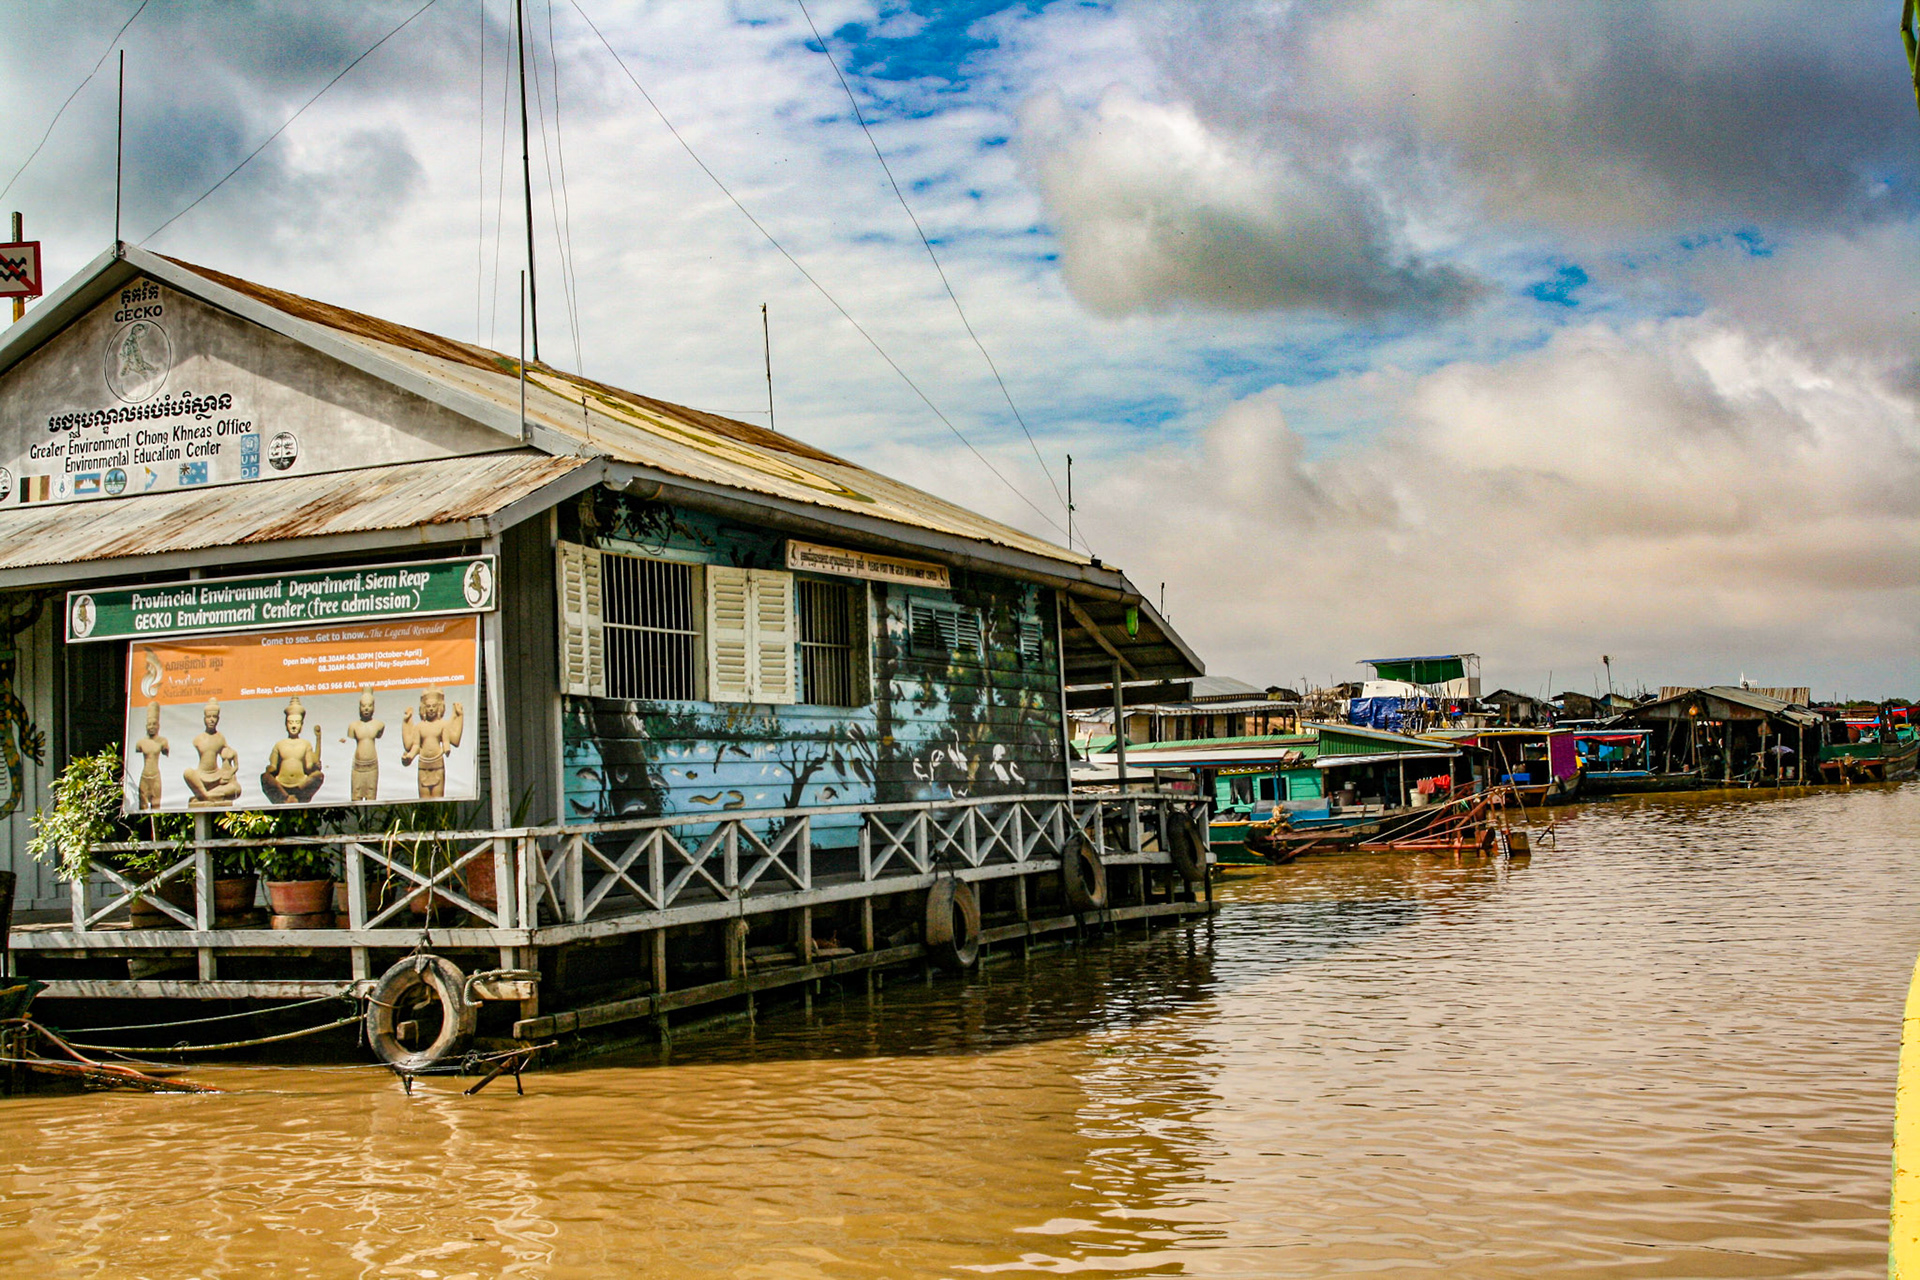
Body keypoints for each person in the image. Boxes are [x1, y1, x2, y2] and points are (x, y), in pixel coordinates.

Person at [260, 695, 324, 804]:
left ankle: (296, 796)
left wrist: (318, 739)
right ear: (286, 724)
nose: (294, 726)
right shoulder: (280, 744)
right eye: (290, 722)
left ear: (302, 725)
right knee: (265, 777)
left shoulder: (305, 744)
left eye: (297, 722)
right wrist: (270, 769)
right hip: (282, 784)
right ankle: (286, 798)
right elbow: (273, 767)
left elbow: (309, 767)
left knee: (318, 776)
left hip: (300, 785)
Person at [401, 689, 463, 799]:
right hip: (423, 766)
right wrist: (410, 756)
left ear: (438, 707)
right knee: (424, 801)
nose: (431, 709)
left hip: (437, 765)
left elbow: (448, 741)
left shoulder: (443, 725)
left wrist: (446, 748)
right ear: (424, 708)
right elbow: (415, 746)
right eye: (428, 706)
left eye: (433, 706)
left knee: (438, 799)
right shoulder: (419, 726)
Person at [183, 698, 242, 807]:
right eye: (209, 717)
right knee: (188, 772)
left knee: (237, 789)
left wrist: (228, 773)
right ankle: (207, 795)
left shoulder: (220, 738)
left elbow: (228, 755)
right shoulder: (198, 739)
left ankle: (204, 796)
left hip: (217, 778)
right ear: (204, 719)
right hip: (201, 778)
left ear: (218, 719)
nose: (211, 720)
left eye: (214, 717)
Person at [340, 687, 385, 801]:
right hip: (358, 766)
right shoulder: (353, 726)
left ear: (374, 708)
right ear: (359, 708)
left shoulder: (379, 725)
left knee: (371, 795)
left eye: (369, 706)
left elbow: (379, 735)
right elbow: (349, 738)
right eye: (363, 706)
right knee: (356, 795)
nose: (366, 708)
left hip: (372, 766)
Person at [130, 702, 168, 810]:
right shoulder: (141, 742)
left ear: (158, 726)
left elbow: (166, 752)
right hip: (145, 776)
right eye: (149, 724)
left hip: (156, 776)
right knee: (143, 804)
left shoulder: (162, 742)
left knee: (156, 805)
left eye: (154, 724)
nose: (151, 727)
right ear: (146, 726)